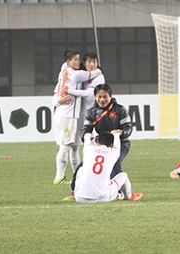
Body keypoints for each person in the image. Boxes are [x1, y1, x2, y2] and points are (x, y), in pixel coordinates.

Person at [52, 49, 102, 185]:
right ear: (69, 62)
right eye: (75, 60)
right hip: (68, 116)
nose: (78, 62)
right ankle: (60, 176)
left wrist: (64, 68)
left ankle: (77, 175)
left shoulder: (65, 74)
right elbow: (95, 73)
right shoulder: (76, 75)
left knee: (74, 146)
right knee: (66, 146)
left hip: (68, 114)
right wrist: (98, 70)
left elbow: (54, 98)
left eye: (79, 60)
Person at [73, 130, 142, 203]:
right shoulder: (113, 153)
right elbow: (117, 146)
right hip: (102, 197)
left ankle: (77, 191)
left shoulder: (88, 150)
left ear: (97, 142)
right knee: (123, 176)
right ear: (111, 146)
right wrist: (116, 135)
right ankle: (128, 196)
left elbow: (87, 139)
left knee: (81, 169)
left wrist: (88, 136)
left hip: (79, 197)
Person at [81, 83, 132, 179]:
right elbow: (86, 128)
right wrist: (86, 134)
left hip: (121, 144)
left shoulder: (120, 110)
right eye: (99, 97)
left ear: (110, 96)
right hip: (101, 144)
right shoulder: (91, 112)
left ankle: (118, 191)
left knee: (114, 162)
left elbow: (128, 127)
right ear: (95, 97)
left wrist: (121, 133)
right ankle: (76, 189)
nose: (102, 100)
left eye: (105, 97)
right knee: (84, 164)